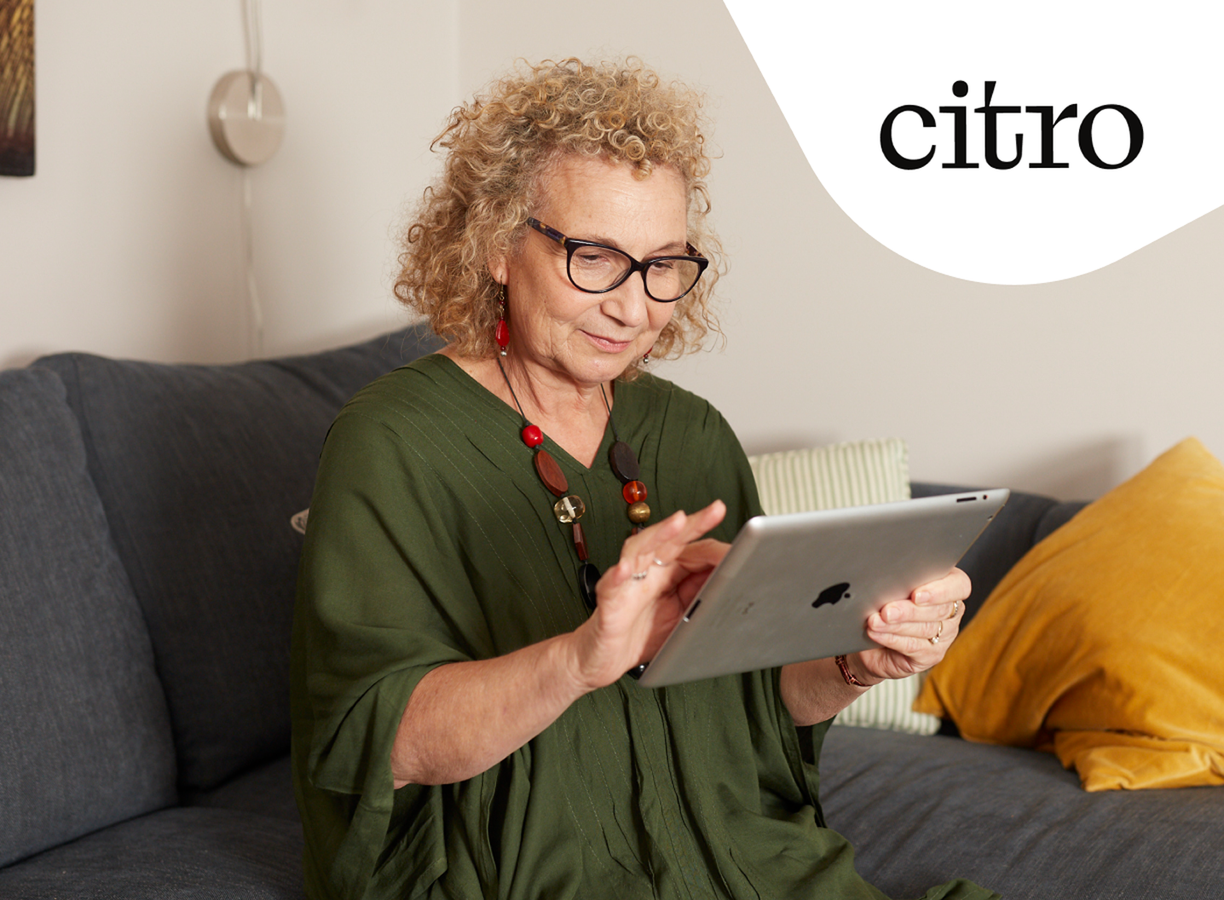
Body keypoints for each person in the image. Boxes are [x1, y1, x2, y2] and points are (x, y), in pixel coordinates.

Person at [290, 58, 996, 900]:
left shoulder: (691, 432)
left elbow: (764, 709)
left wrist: (861, 662)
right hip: (515, 871)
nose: (635, 308)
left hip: (743, 857)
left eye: (663, 264)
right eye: (595, 257)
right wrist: (582, 658)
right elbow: (388, 742)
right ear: (493, 246)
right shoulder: (389, 441)